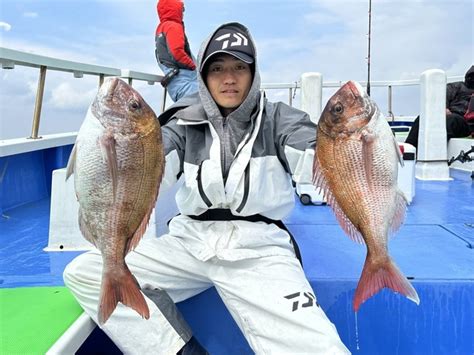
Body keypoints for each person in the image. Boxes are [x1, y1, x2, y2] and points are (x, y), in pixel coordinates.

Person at [64, 22, 350, 354]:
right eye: (217, 69)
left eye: (239, 67)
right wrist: (113, 152)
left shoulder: (279, 119)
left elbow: (315, 156)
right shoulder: (182, 121)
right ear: (203, 75)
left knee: (322, 348)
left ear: (253, 72)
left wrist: (350, 150)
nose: (229, 78)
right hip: (189, 242)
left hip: (259, 248)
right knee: (84, 271)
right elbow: (153, 166)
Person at [405, 65, 474, 148]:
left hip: (466, 124)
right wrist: (443, 108)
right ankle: (408, 151)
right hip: (448, 115)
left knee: (453, 120)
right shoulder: (456, 86)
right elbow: (441, 97)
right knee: (423, 118)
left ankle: (434, 151)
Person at [155, 0, 198, 102]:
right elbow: (177, 52)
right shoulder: (173, 26)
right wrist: (193, 66)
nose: (183, 13)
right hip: (185, 80)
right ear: (175, 9)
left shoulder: (161, 27)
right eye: (182, 9)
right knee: (199, 110)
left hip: (175, 81)